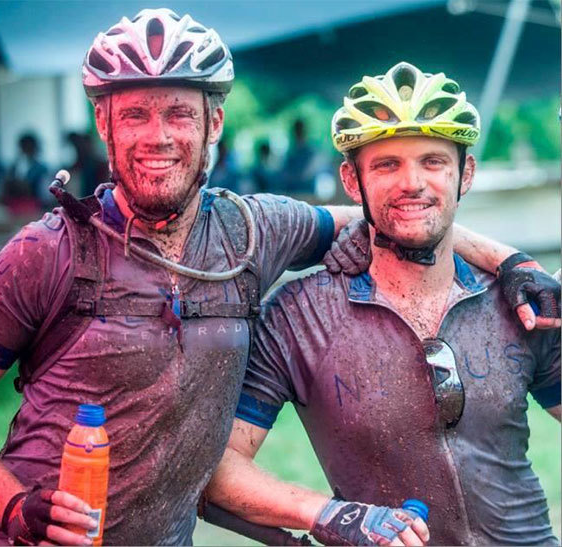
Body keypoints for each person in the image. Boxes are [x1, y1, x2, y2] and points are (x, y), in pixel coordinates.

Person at [0, 14, 554, 545]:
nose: (158, 136)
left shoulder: (255, 231)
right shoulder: (48, 251)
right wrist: (13, 507)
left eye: (179, 113)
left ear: (213, 122)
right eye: (135, 114)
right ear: (104, 122)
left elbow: (395, 214)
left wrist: (514, 264)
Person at [205, 62, 562, 546]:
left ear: (466, 173)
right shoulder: (297, 318)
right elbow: (217, 470)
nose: (411, 182)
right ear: (353, 182)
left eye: (433, 161)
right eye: (387, 164)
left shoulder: (515, 300)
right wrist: (335, 516)